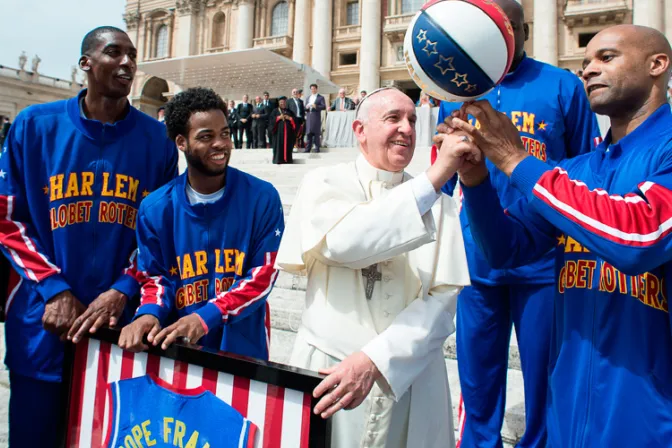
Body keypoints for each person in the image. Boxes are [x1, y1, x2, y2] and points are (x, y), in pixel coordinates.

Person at [440, 24, 672, 447]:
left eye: (606, 57)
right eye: (585, 62)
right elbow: (507, 249)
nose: (588, 70)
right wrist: (476, 183)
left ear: (657, 65)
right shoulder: (581, 168)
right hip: (569, 416)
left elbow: (637, 237)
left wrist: (515, 159)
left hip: (647, 418)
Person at [0, 26, 178, 446]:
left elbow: (159, 236)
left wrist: (121, 289)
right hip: (43, 320)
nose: (127, 63)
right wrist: (54, 288)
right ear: (86, 63)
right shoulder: (33, 126)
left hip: (120, 327)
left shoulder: (158, 140)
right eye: (113, 53)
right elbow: (8, 220)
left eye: (132, 55)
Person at [435, 1, 601, 446]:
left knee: (544, 378)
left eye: (500, 29)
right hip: (477, 262)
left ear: (518, 29)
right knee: (477, 379)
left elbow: (584, 170)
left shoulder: (564, 85)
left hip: (544, 264)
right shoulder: (455, 92)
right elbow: (442, 180)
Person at [276, 87, 472, 448]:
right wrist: (435, 176)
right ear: (360, 130)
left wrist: (377, 359)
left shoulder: (441, 206)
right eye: (393, 118)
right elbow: (343, 242)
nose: (407, 129)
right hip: (328, 366)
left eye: (413, 119)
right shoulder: (324, 182)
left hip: (411, 373)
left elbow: (443, 303)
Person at [118, 87, 283, 360]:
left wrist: (206, 316)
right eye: (206, 136)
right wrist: (149, 313)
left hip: (242, 351)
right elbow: (155, 276)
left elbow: (263, 274)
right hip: (177, 349)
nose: (220, 144)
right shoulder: (156, 208)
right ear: (181, 142)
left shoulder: (261, 197)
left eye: (225, 134)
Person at [270, 97, 296, 165]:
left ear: (285, 103)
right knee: (278, 146)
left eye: (284, 102)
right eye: (281, 102)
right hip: (278, 134)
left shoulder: (290, 111)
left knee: (288, 146)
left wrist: (290, 118)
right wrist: (278, 118)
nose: (282, 103)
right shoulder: (275, 111)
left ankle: (288, 160)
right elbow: (271, 121)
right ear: (279, 103)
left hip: (288, 134)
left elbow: (295, 121)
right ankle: (278, 159)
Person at [304, 83, 326, 153]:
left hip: (316, 116)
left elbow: (323, 106)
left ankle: (317, 149)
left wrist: (315, 106)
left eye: (314, 89)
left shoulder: (320, 97)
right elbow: (305, 107)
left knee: (316, 133)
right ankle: (307, 149)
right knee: (308, 133)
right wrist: (306, 107)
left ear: (316, 89)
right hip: (309, 116)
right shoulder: (308, 97)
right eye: (311, 89)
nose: (313, 90)